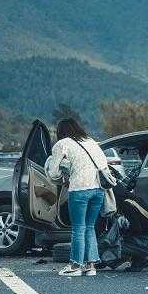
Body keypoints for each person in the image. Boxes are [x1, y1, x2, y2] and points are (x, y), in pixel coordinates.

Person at [46, 118, 109, 277]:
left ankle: (75, 266)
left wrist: (64, 177)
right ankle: (90, 266)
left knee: (78, 228)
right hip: (99, 190)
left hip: (80, 189)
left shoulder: (62, 144)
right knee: (90, 227)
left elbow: (53, 172)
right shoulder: (91, 141)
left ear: (61, 132)